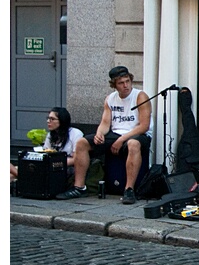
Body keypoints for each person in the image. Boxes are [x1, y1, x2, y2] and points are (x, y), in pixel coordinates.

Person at [56, 66, 152, 204]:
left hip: (137, 134)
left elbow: (144, 126)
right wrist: (99, 133)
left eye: (127, 81)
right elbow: (105, 123)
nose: (126, 86)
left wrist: (122, 139)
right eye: (121, 83)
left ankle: (129, 189)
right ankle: (79, 187)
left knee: (133, 144)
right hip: (116, 133)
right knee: (82, 143)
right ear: (114, 85)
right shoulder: (110, 99)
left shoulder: (140, 96)